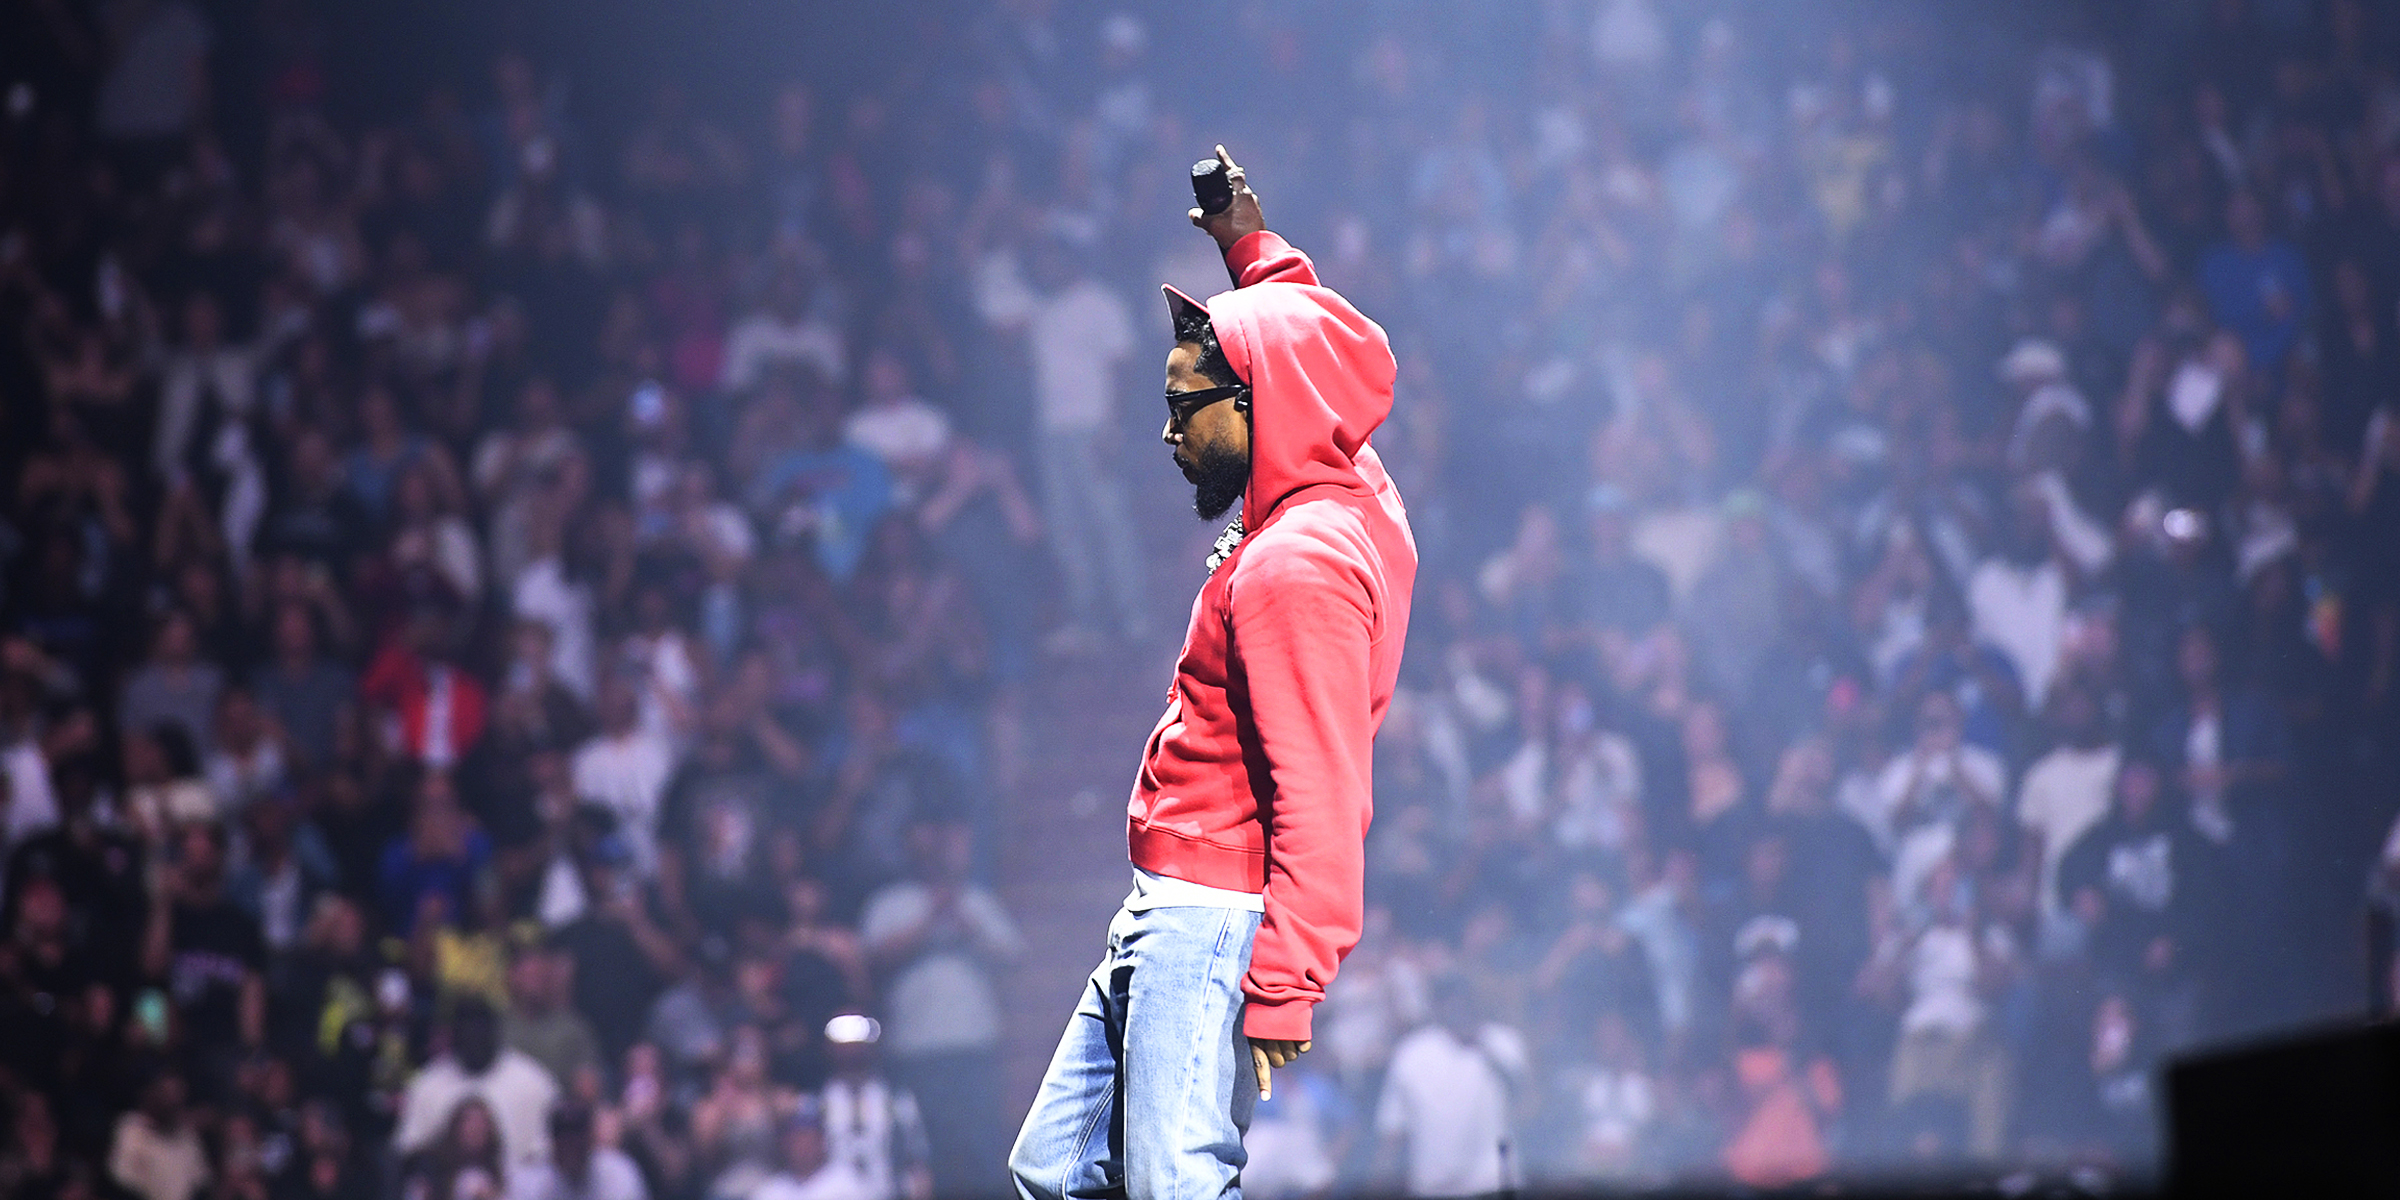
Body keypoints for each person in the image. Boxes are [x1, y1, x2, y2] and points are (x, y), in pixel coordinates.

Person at [1009, 148, 1418, 1200]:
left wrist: (1286, 983)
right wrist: (1250, 242)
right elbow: (1304, 338)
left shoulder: (1295, 570)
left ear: (1256, 404)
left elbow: (1324, 789)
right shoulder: (1343, 475)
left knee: (1178, 1184)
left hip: (1209, 909)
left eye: (1188, 406)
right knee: (1053, 1172)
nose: (1167, 431)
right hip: (1170, 897)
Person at [394, 999, 560, 1169]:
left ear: (495, 1031)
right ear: (454, 1034)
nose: (473, 1036)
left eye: (480, 1028)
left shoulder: (534, 1083)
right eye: (466, 1028)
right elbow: (410, 1151)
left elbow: (548, 1156)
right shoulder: (427, 1086)